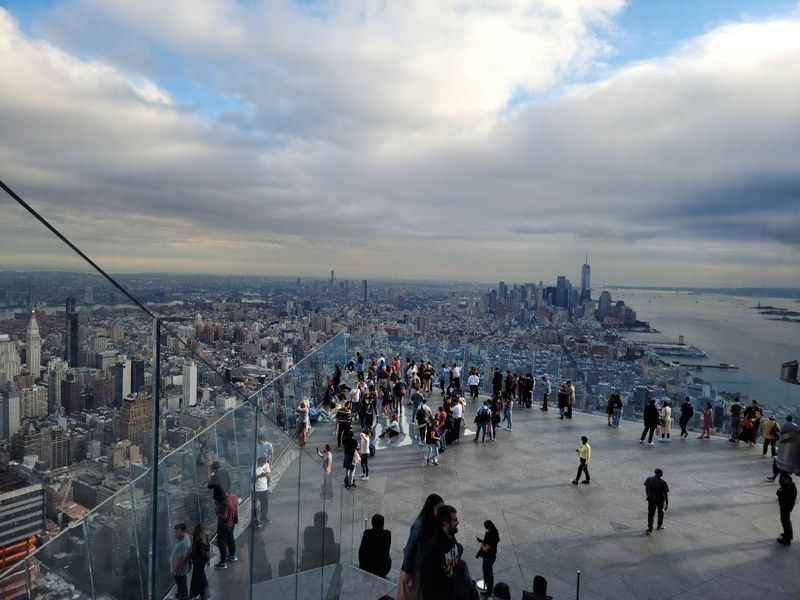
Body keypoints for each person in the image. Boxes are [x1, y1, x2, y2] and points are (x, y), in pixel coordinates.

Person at [397, 493, 444, 600]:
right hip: (415, 569)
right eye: (439, 508)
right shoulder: (419, 525)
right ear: (431, 508)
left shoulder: (433, 523)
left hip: (424, 569)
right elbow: (410, 548)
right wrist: (407, 570)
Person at [420, 505, 462, 600]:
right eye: (454, 520)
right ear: (445, 523)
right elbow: (426, 583)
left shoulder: (451, 536)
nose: (457, 522)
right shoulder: (433, 549)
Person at [212, 485, 238, 568]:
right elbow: (235, 509)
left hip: (224, 526)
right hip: (232, 523)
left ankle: (222, 563)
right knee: (231, 539)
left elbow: (224, 516)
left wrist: (216, 508)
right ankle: (232, 556)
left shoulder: (223, 503)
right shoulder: (233, 497)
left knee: (221, 542)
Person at [476, 520, 499, 597]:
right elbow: (491, 543)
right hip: (492, 557)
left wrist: (482, 544)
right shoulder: (495, 532)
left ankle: (488, 592)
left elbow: (486, 548)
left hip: (488, 558)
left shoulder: (490, 535)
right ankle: (490, 589)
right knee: (490, 574)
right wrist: (481, 540)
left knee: (487, 575)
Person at [644, 468, 669, 535]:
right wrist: (667, 503)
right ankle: (659, 526)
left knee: (651, 514)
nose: (662, 474)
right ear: (660, 474)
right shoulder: (663, 482)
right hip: (660, 500)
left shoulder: (649, 479)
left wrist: (648, 495)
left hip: (651, 499)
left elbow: (646, 487)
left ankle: (650, 528)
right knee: (660, 513)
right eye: (661, 473)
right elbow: (665, 494)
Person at [171, 523, 192, 600]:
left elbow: (181, 560)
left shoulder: (183, 544)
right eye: (175, 532)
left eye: (177, 532)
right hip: (182, 569)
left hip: (179, 570)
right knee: (182, 584)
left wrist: (174, 569)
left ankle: (183, 597)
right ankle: (180, 594)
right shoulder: (186, 537)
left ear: (183, 531)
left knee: (181, 584)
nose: (176, 534)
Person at [188, 524, 210, 600]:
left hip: (198, 563)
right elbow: (206, 551)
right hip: (201, 562)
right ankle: (201, 594)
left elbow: (197, 552)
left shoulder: (198, 541)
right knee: (199, 577)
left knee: (199, 577)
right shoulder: (204, 539)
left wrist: (191, 558)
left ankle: (200, 594)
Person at [776, 472, 796, 545]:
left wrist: (780, 492)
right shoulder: (788, 486)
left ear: (789, 480)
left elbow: (781, 494)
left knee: (785, 521)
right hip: (785, 506)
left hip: (786, 507)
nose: (784, 481)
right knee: (786, 521)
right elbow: (779, 492)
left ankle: (787, 540)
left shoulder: (790, 488)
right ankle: (788, 535)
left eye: (785, 480)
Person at [254, 456, 270, 527]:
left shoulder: (265, 466)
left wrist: (266, 475)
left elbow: (268, 475)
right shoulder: (254, 468)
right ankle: (257, 521)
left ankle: (264, 517)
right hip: (257, 490)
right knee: (256, 506)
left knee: (265, 504)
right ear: (259, 462)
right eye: (263, 462)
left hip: (264, 489)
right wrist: (260, 475)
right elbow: (252, 479)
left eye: (264, 462)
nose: (264, 464)